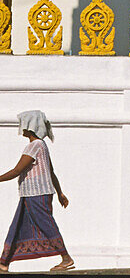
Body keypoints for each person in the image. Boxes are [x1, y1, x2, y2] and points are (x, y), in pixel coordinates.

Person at [0, 110, 74, 272]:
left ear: (30, 127)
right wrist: (60, 193)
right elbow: (51, 172)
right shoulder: (41, 145)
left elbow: (16, 170)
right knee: (17, 226)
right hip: (31, 194)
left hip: (37, 194)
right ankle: (4, 262)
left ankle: (66, 258)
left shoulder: (34, 146)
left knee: (46, 225)